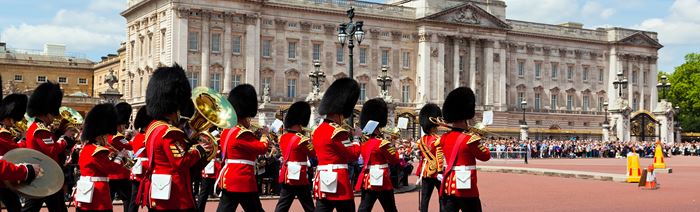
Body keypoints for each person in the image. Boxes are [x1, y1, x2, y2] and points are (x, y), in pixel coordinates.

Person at [136, 64, 212, 211]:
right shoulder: (169, 132)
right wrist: (199, 149)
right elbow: (180, 162)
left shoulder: (153, 127)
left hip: (160, 189)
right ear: (175, 107)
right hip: (174, 194)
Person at [216, 84, 269, 212]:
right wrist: (264, 136)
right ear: (245, 115)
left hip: (229, 178)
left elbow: (242, 149)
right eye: (248, 118)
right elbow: (262, 148)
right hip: (242, 178)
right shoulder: (242, 133)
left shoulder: (227, 131)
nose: (249, 121)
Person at [312, 78, 361, 212]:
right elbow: (353, 155)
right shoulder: (338, 132)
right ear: (339, 114)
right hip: (339, 182)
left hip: (322, 180)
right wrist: (356, 138)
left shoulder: (317, 131)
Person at [439, 87, 491, 212]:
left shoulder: (444, 138)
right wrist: (478, 138)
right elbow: (485, 156)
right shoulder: (469, 139)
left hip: (449, 186)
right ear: (465, 118)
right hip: (465, 187)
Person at [23, 81, 70, 212]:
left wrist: (60, 132)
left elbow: (50, 144)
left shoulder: (40, 128)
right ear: (47, 112)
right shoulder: (40, 129)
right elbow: (52, 149)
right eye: (53, 114)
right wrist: (65, 138)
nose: (54, 117)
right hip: (43, 176)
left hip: (47, 176)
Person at [74, 103, 131, 212]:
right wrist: (120, 157)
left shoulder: (87, 148)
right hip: (97, 193)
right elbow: (110, 169)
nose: (106, 138)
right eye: (105, 135)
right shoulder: (98, 150)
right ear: (100, 135)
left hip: (85, 190)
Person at [355, 98, 400, 212]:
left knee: (364, 208)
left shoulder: (364, 144)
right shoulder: (382, 143)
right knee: (390, 209)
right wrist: (393, 144)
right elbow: (395, 159)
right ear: (377, 127)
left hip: (368, 179)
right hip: (382, 179)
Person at [274, 101, 316, 212]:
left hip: (287, 174)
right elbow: (313, 154)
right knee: (309, 206)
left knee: (282, 205)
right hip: (299, 176)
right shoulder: (302, 140)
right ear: (299, 123)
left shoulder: (282, 138)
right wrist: (313, 139)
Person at [0, 93, 29, 212]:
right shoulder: (3, 133)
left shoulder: (6, 132)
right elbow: (15, 150)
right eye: (11, 119)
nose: (13, 122)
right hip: (3, 178)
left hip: (5, 176)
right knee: (15, 207)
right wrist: (25, 139)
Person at [415, 103, 445, 212]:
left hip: (425, 172)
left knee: (425, 198)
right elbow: (439, 157)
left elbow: (422, 156)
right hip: (436, 173)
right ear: (434, 126)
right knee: (442, 197)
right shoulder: (438, 139)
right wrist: (440, 172)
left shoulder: (421, 141)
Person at [108, 102, 134, 212]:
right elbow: (129, 146)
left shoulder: (108, 135)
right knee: (128, 199)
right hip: (121, 173)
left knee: (108, 200)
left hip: (110, 173)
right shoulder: (117, 137)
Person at [128, 107, 152, 212]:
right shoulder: (148, 137)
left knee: (134, 200)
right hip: (146, 170)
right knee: (150, 199)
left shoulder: (137, 137)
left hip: (137, 170)